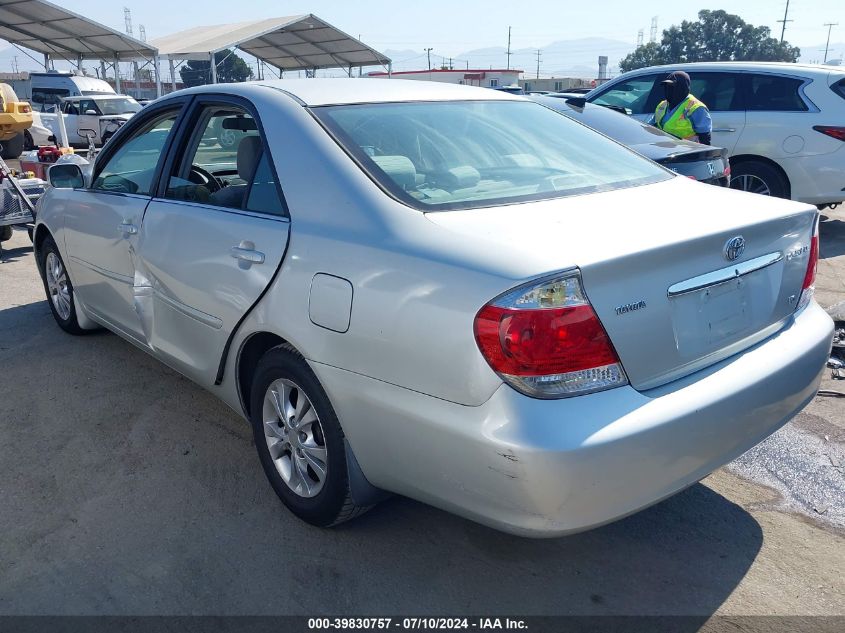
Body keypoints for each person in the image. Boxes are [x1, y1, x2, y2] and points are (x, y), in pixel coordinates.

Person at [648, 71, 712, 145]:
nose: (669, 89)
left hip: (686, 153)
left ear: (682, 87)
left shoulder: (696, 108)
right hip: (663, 151)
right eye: (667, 86)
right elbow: (650, 128)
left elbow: (705, 139)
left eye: (672, 87)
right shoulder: (662, 105)